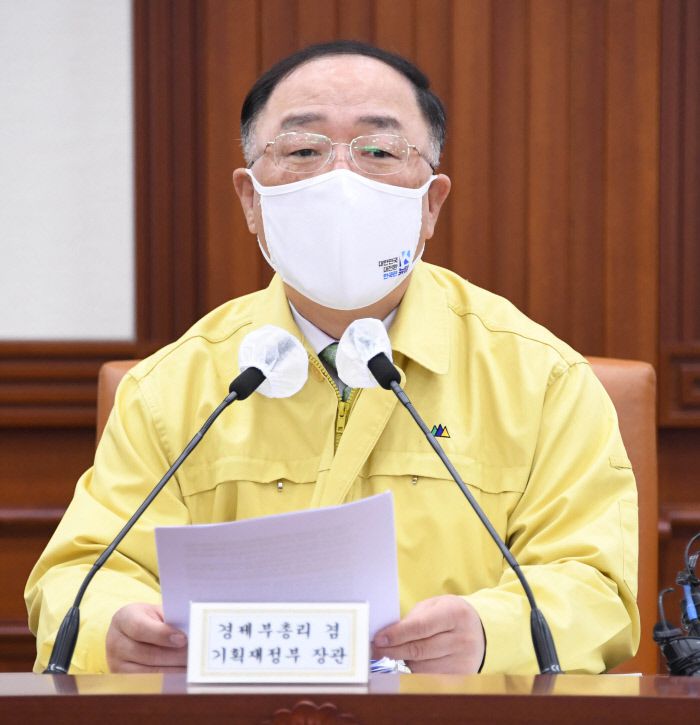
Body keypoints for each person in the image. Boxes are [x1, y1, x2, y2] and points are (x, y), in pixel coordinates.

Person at [25, 40, 639, 675]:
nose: (340, 181)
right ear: (250, 200)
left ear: (430, 203)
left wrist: (489, 636)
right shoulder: (170, 387)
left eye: (379, 152)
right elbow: (79, 576)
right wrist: (113, 631)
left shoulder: (540, 378)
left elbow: (594, 586)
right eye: (302, 151)